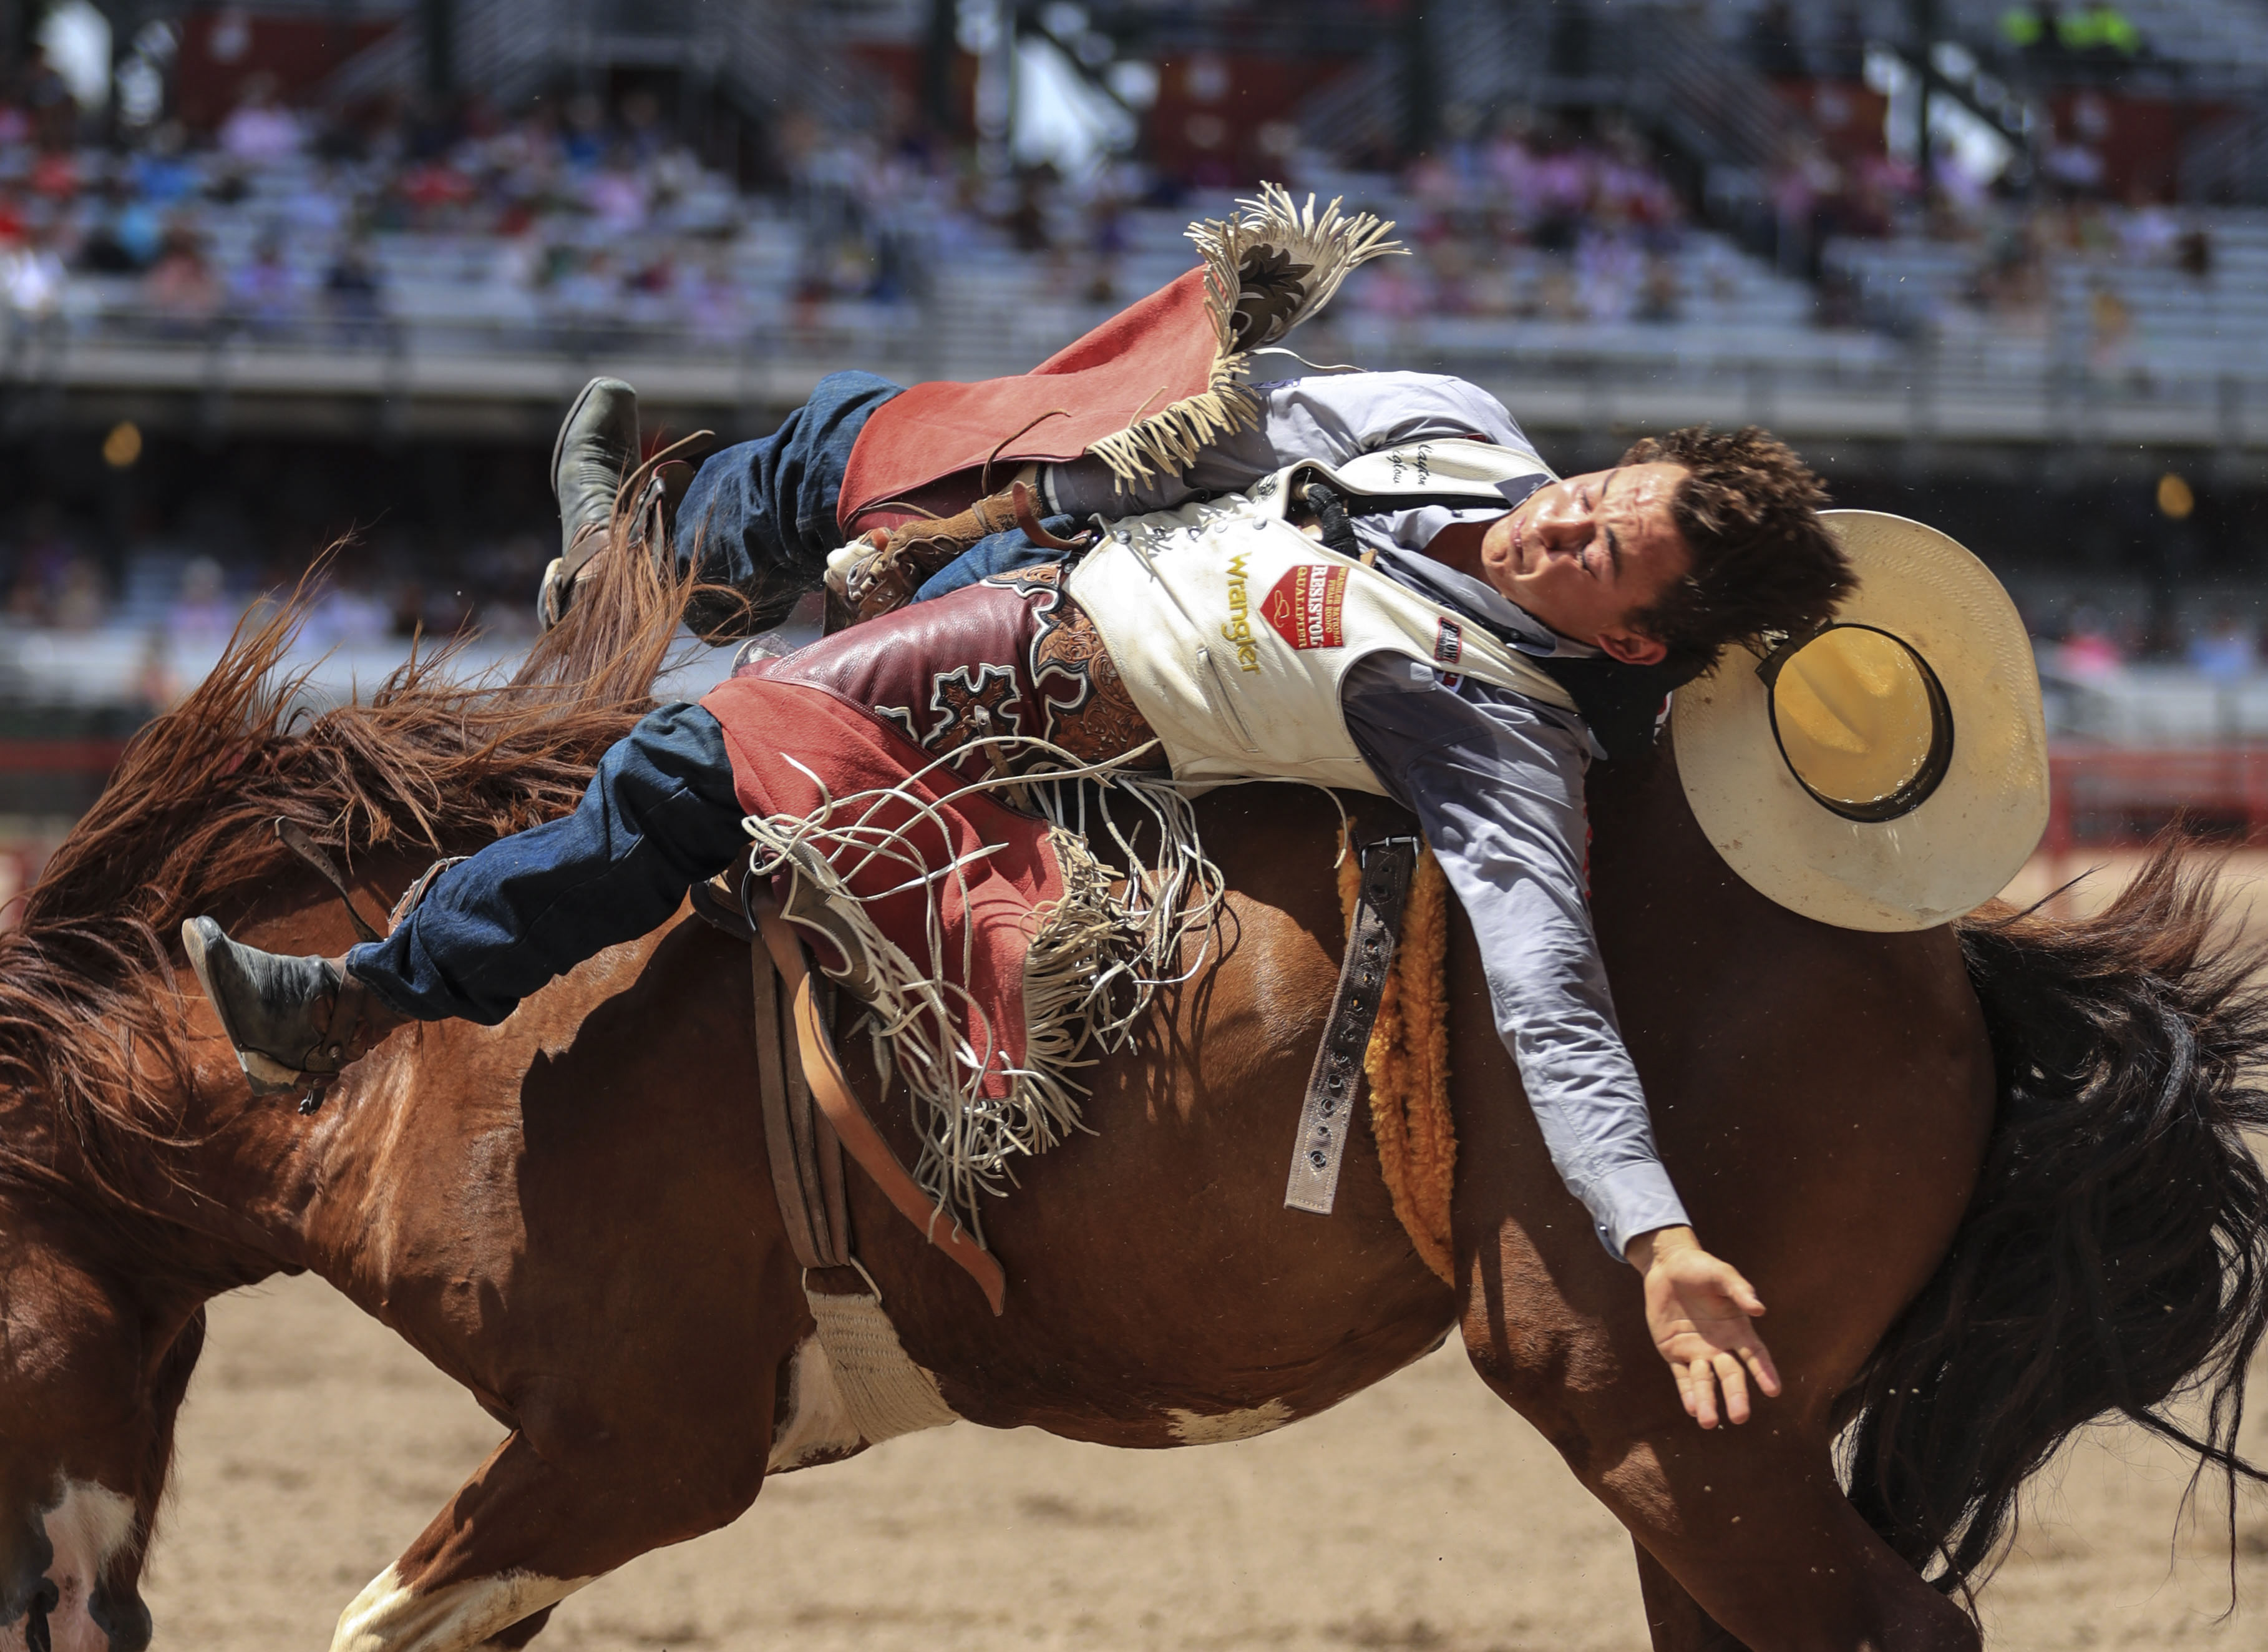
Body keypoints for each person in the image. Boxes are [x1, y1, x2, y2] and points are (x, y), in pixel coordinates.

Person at [187, 366, 1850, 1434]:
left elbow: (1548, 998)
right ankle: (636, 558)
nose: (1565, 530)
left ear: (1632, 641)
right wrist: (1028, 477)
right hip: (1065, 537)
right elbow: (1218, 411)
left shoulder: (1493, 726)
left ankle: (365, 1000)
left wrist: (1656, 1235)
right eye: (1600, 502)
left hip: (1048, 681)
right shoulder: (1449, 423)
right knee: (866, 435)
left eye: (1606, 561)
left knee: (696, 770)